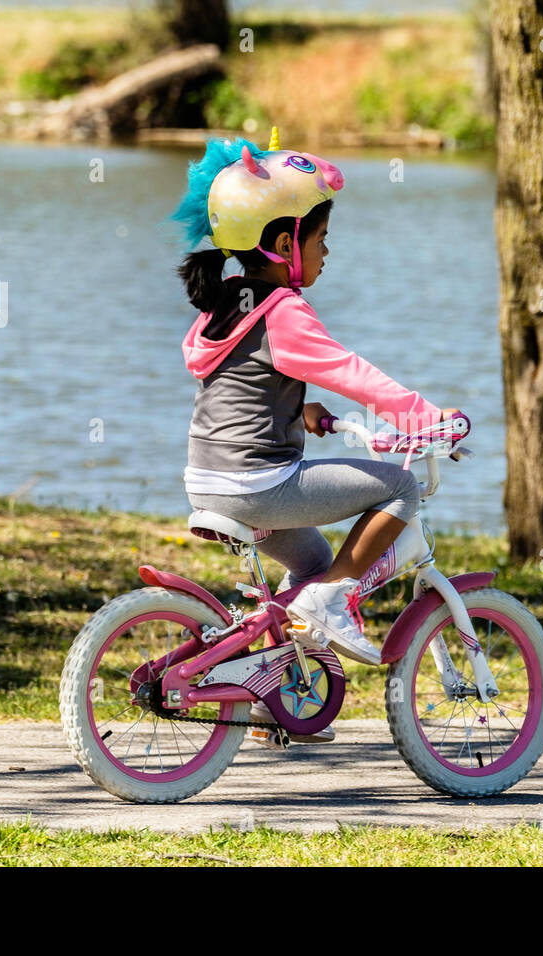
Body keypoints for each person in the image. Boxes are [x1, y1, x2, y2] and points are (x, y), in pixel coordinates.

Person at [171, 129, 459, 743]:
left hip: (207, 478)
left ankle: (270, 701)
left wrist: (300, 409)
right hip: (259, 484)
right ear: (284, 242)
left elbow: (234, 375)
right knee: (402, 488)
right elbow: (347, 368)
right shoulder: (284, 309)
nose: (328, 251)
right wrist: (422, 415)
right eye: (321, 237)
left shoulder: (226, 303)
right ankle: (335, 602)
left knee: (311, 566)